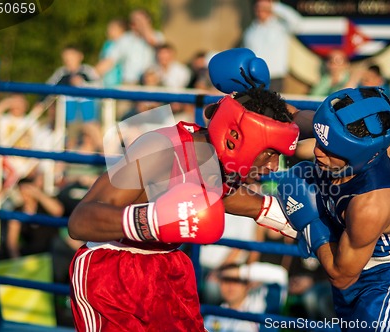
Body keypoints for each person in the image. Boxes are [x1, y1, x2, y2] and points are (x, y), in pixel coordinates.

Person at [67, 48, 300, 331]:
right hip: (111, 271)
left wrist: (302, 223)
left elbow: (239, 200)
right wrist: (152, 219)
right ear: (237, 139)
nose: (274, 166)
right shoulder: (160, 150)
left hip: (169, 268)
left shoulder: (220, 161)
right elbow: (80, 221)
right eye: (270, 153)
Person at [275, 87, 390, 331]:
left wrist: (311, 223)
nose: (316, 151)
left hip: (385, 276)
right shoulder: (337, 136)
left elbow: (341, 276)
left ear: (356, 155)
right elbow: (290, 117)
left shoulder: (372, 203)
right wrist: (255, 100)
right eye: (319, 140)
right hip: (346, 247)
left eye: (329, 150)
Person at [203, 262, 288, 332]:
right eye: (226, 280)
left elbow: (280, 275)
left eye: (236, 280)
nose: (230, 286)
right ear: (220, 285)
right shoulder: (212, 316)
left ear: (247, 285)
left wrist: (242, 272)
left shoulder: (261, 303)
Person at [242, 0, 298, 93]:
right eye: (258, 8)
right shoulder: (250, 30)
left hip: (274, 77)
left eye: (264, 8)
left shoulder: (280, 26)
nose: (260, 11)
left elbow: (297, 22)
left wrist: (275, 7)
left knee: (272, 106)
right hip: (254, 77)